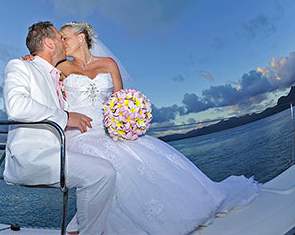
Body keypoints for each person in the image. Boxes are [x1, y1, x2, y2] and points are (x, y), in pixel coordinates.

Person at [23, 22, 261, 235]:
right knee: (104, 164)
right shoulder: (63, 67)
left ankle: (87, 227)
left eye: (64, 37)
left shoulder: (108, 64)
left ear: (81, 38)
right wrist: (30, 59)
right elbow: (41, 67)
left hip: (109, 130)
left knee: (142, 157)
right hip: (81, 133)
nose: (61, 42)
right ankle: (85, 228)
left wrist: (127, 120)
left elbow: (121, 99)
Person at [3, 21, 117, 234]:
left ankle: (75, 229)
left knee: (109, 169)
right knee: (103, 173)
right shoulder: (20, 66)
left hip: (62, 151)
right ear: (49, 43)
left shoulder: (57, 75)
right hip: (33, 156)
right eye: (59, 38)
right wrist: (66, 117)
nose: (64, 42)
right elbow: (16, 106)